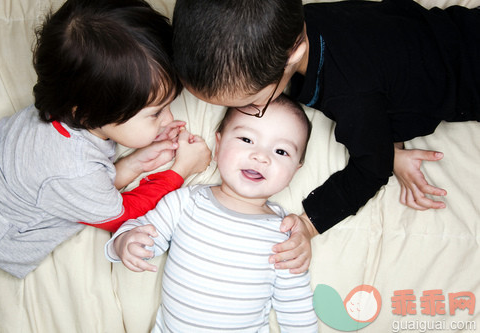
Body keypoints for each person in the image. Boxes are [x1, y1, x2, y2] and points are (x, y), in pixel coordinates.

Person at [171, 0, 480, 238]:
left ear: (294, 54)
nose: (252, 110)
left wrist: (309, 224)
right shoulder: (294, 21)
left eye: (253, 101)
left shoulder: (350, 94)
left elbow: (372, 169)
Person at [0, 0, 211, 280]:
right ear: (89, 113)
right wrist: (181, 170)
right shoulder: (71, 168)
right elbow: (123, 215)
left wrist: (134, 164)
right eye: (155, 113)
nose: (168, 119)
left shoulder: (67, 98)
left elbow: (80, 187)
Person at [105, 94, 318, 332]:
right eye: (247, 139)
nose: (261, 157)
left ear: (296, 170)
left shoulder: (286, 235)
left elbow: (296, 308)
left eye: (281, 152)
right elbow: (140, 230)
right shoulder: (186, 202)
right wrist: (125, 243)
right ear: (218, 146)